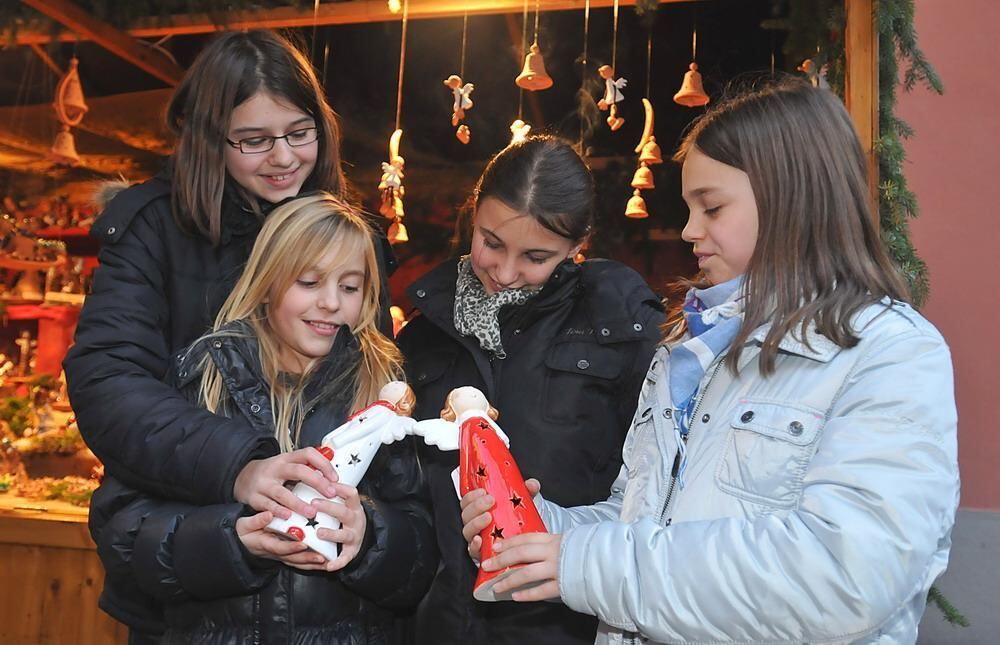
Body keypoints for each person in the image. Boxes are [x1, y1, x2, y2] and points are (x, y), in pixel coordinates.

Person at [460, 79, 960, 644]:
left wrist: (579, 562)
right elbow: (637, 521)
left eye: (712, 207)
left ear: (790, 197)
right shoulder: (688, 349)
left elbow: (847, 576)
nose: (689, 230)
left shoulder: (887, 352)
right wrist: (537, 529)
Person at [65, 30, 382, 556]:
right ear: (211, 138)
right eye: (254, 140)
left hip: (326, 560)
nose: (283, 157)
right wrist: (236, 464)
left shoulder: (345, 235)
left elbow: (374, 383)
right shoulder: (154, 229)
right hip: (186, 546)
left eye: (300, 133)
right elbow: (108, 380)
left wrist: (366, 524)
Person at [90, 193, 435, 643]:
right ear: (269, 281)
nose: (331, 303)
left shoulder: (384, 392)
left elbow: (425, 546)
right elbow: (124, 529)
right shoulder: (201, 376)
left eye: (349, 288)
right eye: (309, 283)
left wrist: (369, 536)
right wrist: (230, 542)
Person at [397, 135, 666, 645]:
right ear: (474, 213)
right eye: (491, 242)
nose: (503, 272)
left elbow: (654, 490)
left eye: (535, 256)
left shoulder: (619, 321)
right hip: (446, 622)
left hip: (572, 621)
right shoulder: (424, 332)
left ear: (577, 246)